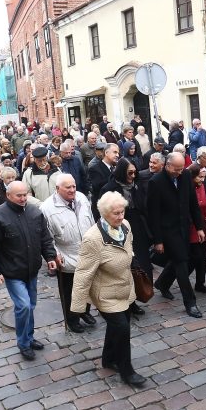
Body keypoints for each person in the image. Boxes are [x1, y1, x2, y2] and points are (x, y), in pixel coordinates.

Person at [71, 191, 146, 387]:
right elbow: (83, 273)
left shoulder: (126, 226)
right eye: (116, 214)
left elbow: (129, 249)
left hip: (125, 288)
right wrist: (78, 307)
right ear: (104, 214)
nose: (121, 217)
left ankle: (108, 358)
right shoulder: (92, 239)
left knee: (118, 327)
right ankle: (126, 370)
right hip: (105, 293)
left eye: (123, 212)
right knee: (122, 328)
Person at [0, 181, 59, 360]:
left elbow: (45, 238)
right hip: (12, 271)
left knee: (30, 306)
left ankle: (29, 337)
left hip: (31, 269)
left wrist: (50, 257)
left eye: (25, 194)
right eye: (19, 195)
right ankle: (23, 343)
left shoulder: (34, 212)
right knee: (23, 305)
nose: (23, 198)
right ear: (9, 195)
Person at [148, 153, 206, 318]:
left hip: (184, 227)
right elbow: (154, 215)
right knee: (181, 262)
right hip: (168, 230)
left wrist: (199, 227)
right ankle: (190, 303)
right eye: (177, 169)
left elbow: (192, 204)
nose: (180, 172)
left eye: (182, 169)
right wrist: (157, 240)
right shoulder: (156, 182)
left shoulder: (186, 175)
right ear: (167, 165)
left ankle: (162, 282)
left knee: (193, 257)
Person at [41, 173, 96, 333]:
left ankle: (84, 311)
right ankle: (72, 319)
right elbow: (46, 238)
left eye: (74, 186)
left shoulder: (82, 198)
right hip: (66, 257)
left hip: (87, 254)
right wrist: (54, 254)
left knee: (86, 287)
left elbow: (91, 222)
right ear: (57, 189)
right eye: (68, 187)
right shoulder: (47, 208)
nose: (72, 190)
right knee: (70, 291)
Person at [101, 158, 150, 316]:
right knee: (123, 267)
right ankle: (126, 302)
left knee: (139, 266)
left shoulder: (136, 186)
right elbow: (102, 214)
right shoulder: (110, 189)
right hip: (118, 231)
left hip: (137, 229)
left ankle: (135, 298)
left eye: (135, 172)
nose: (133, 176)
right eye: (130, 173)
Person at [186, 163, 206, 293]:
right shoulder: (186, 188)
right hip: (191, 225)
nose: (202, 180)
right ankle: (167, 280)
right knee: (194, 256)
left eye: (204, 177)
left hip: (201, 223)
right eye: (199, 177)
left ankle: (200, 283)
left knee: (202, 256)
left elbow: (204, 204)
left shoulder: (201, 186)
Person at [90, 142, 120, 212]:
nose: (117, 155)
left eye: (118, 153)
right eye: (115, 152)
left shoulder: (116, 168)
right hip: (104, 209)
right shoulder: (95, 169)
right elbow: (99, 188)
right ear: (106, 153)